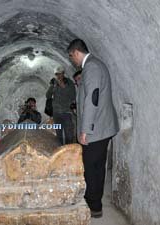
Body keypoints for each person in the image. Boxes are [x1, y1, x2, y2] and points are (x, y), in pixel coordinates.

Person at [67, 38, 119, 218]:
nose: (72, 61)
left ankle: (92, 203)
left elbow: (92, 99)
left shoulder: (91, 67)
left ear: (76, 53)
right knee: (97, 166)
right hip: (101, 127)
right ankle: (96, 204)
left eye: (71, 57)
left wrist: (85, 129)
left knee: (90, 167)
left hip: (96, 129)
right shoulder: (95, 65)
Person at [46, 65, 76, 145]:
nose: (58, 76)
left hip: (66, 112)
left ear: (63, 73)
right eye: (56, 74)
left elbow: (73, 96)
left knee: (69, 135)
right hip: (56, 113)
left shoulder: (69, 83)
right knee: (58, 135)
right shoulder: (54, 83)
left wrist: (63, 86)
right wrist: (52, 86)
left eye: (59, 74)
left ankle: (69, 152)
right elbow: (48, 96)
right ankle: (60, 153)